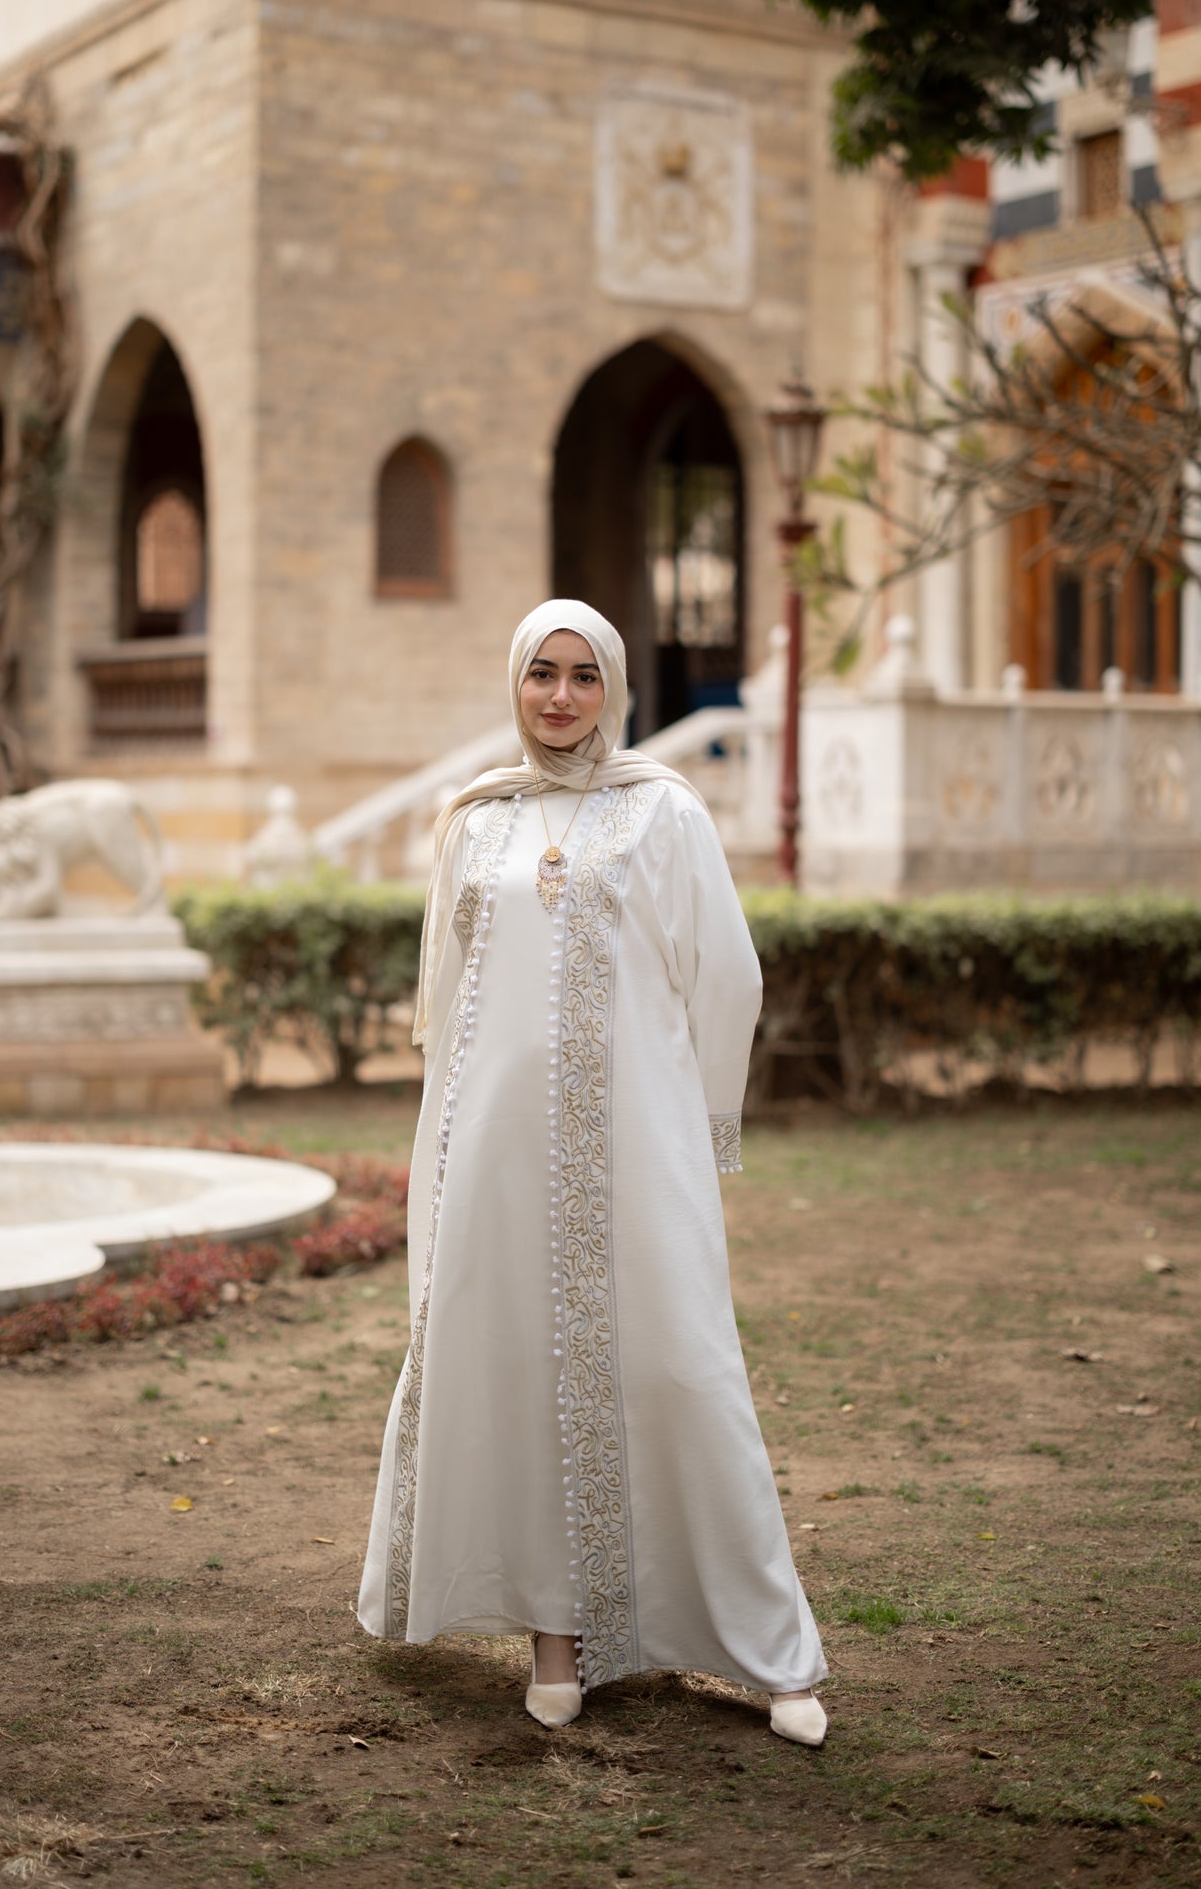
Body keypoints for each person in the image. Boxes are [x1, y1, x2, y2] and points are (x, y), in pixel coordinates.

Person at [358, 599, 827, 1745]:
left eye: (580, 676)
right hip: (502, 1154)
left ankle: (772, 1652)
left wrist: (704, 1125)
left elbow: (728, 976)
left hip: (638, 1144)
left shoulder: (661, 812)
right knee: (517, 1370)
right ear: (513, 684)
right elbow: (447, 1005)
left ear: (610, 687)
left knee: (680, 1369)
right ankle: (554, 1636)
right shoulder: (475, 821)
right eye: (539, 674)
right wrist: (447, 1148)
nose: (559, 696)